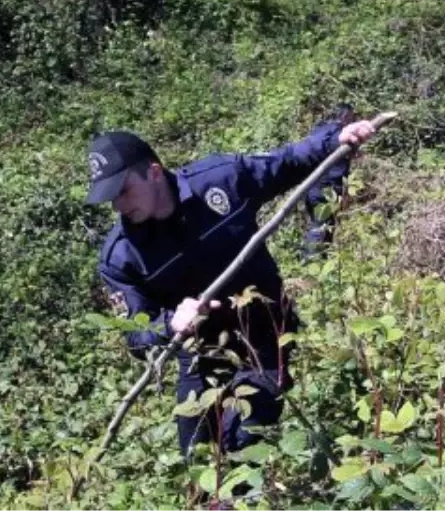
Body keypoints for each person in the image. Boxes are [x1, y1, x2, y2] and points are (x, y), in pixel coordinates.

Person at [86, 118, 377, 459]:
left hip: (265, 337)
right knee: (197, 462)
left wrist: (335, 139)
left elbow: (286, 163)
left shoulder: (221, 180)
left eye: (123, 190)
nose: (118, 206)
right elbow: (135, 335)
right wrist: (169, 324)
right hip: (199, 358)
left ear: (153, 172)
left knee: (239, 447)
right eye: (110, 198)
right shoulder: (120, 256)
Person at [301, 103, 356, 260]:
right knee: (320, 226)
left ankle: (316, 262)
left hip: (310, 187)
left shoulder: (319, 130)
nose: (352, 120)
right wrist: (340, 193)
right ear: (345, 116)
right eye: (351, 117)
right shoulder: (340, 135)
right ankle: (311, 263)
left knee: (318, 225)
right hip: (325, 190)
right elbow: (338, 170)